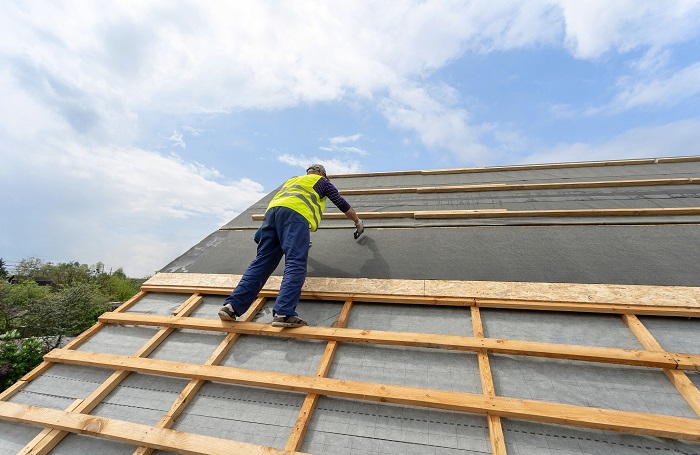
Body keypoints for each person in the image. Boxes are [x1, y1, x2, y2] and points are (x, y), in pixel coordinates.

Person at [218, 164, 364, 327]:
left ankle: (231, 307)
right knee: (295, 263)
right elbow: (343, 205)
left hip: (271, 217)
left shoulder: (292, 181)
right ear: (322, 173)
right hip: (295, 217)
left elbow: (282, 205)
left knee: (261, 262)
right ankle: (284, 313)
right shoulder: (322, 182)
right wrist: (358, 221)